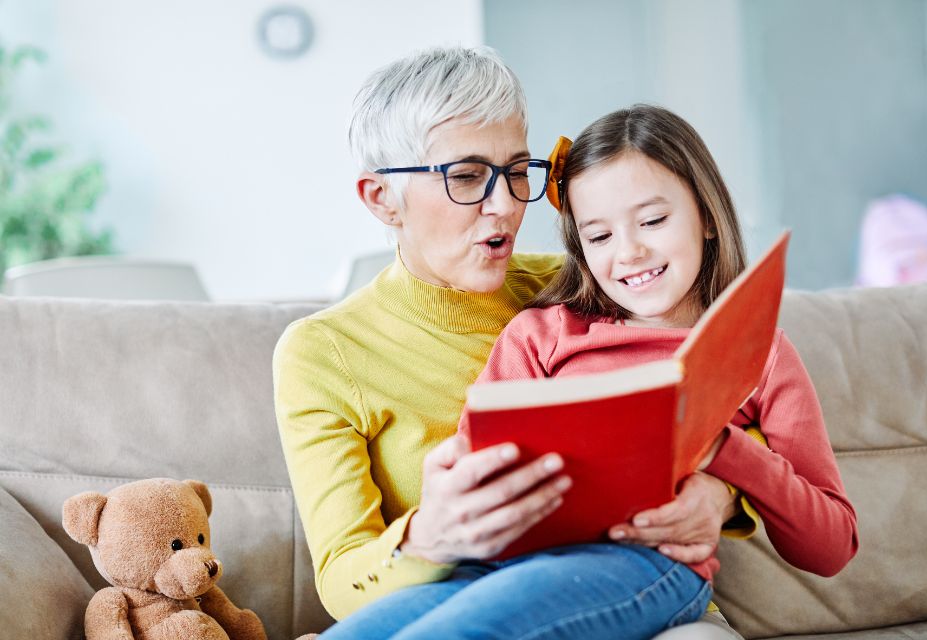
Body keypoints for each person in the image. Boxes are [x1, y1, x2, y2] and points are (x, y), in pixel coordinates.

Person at [275, 47, 753, 640]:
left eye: (516, 172)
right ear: (381, 198)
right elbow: (343, 580)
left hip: (647, 603)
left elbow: (730, 388)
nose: (504, 206)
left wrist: (720, 494)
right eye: (468, 177)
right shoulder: (324, 352)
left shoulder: (590, 281)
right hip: (471, 601)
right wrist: (430, 538)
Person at [458, 103, 859, 633]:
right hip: (520, 566)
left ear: (709, 219)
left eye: (652, 220)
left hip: (652, 567)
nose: (629, 252)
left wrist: (724, 450)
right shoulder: (543, 336)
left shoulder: (760, 353)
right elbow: (471, 480)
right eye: (599, 236)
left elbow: (831, 547)